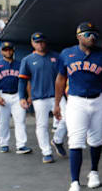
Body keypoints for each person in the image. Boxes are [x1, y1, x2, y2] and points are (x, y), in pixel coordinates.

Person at [55, 22, 102, 191]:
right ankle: (75, 183)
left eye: (94, 34)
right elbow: (60, 79)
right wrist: (57, 103)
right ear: (78, 36)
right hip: (76, 101)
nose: (92, 37)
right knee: (76, 141)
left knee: (96, 139)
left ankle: (94, 172)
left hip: (99, 100)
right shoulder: (67, 53)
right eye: (87, 34)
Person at [18, 32, 67, 163]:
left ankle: (57, 140)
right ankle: (46, 152)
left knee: (68, 119)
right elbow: (22, 80)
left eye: (42, 41)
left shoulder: (56, 56)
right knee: (42, 125)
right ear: (32, 43)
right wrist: (22, 97)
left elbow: (64, 77)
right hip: (39, 97)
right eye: (37, 42)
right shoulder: (27, 60)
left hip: (57, 95)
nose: (40, 44)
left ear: (46, 42)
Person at [0, 41, 31, 154]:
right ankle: (4, 144)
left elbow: (27, 81)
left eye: (9, 49)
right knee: (3, 121)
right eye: (5, 50)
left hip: (17, 96)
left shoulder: (20, 64)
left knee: (20, 120)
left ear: (13, 50)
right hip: (2, 94)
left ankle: (21, 145)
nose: (8, 51)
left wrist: (29, 96)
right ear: (2, 52)